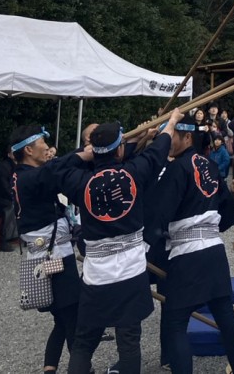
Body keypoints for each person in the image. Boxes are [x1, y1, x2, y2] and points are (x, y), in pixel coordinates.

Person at [56, 109, 185, 374]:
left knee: (83, 342)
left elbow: (57, 168)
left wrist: (85, 154)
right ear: (119, 151)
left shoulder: (80, 181)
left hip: (96, 274)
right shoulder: (134, 172)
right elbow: (160, 148)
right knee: (129, 341)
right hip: (130, 270)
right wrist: (171, 121)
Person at [151, 118, 234, 374]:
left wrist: (147, 240)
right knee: (225, 315)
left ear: (187, 137)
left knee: (175, 322)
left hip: (187, 254)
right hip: (214, 251)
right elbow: (225, 201)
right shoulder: (210, 165)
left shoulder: (177, 168)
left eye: (172, 136)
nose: (167, 142)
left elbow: (160, 211)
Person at [11, 124, 84, 374]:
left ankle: (50, 368)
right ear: (29, 150)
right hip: (55, 257)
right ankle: (82, 369)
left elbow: (54, 168)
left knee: (62, 319)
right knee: (73, 319)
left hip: (44, 256)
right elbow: (57, 168)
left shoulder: (22, 175)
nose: (47, 148)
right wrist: (85, 153)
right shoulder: (30, 177)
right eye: (42, 143)